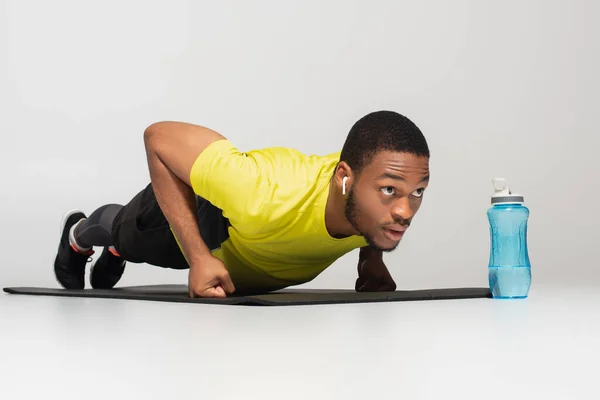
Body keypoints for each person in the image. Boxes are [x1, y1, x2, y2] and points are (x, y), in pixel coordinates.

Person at [53, 110, 431, 298]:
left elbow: (379, 202)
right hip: (209, 223)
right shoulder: (260, 195)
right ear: (345, 180)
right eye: (389, 191)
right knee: (122, 227)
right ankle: (79, 236)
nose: (405, 211)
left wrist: (371, 260)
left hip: (248, 246)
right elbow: (157, 138)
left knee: (126, 240)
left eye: (417, 192)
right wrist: (200, 258)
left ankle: (118, 248)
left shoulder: (372, 188)